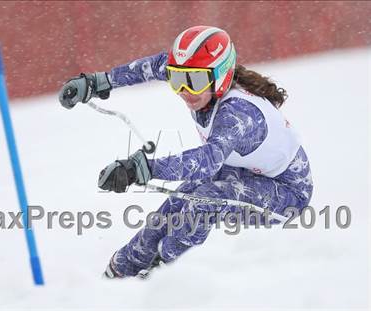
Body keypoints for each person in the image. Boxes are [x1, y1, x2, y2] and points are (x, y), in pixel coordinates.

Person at [58, 25, 313, 278]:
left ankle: (163, 275)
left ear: (221, 75)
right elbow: (149, 68)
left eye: (195, 81)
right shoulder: (200, 82)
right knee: (180, 199)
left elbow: (208, 161)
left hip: (286, 192)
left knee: (205, 201)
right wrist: (98, 82)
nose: (184, 91)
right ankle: (123, 267)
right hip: (242, 169)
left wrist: (142, 168)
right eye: (177, 80)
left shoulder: (238, 114)